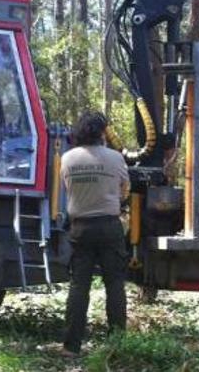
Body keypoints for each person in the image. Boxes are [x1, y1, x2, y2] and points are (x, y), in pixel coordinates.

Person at [60, 111, 130, 356]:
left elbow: (67, 189)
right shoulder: (115, 158)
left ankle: (71, 346)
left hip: (80, 228)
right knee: (114, 284)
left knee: (79, 286)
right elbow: (125, 191)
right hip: (110, 227)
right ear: (102, 133)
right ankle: (117, 344)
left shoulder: (67, 159)